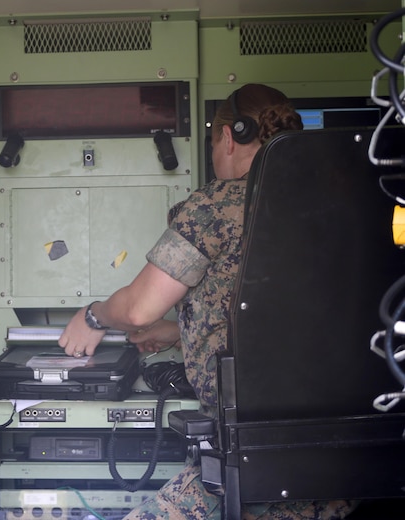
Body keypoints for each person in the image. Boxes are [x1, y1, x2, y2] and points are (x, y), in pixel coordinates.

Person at [58, 84, 356, 519]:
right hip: (345, 466)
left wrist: (93, 317)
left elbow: (138, 308)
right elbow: (285, 319)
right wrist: (182, 331)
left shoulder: (218, 205)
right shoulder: (335, 205)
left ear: (228, 138)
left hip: (254, 461)